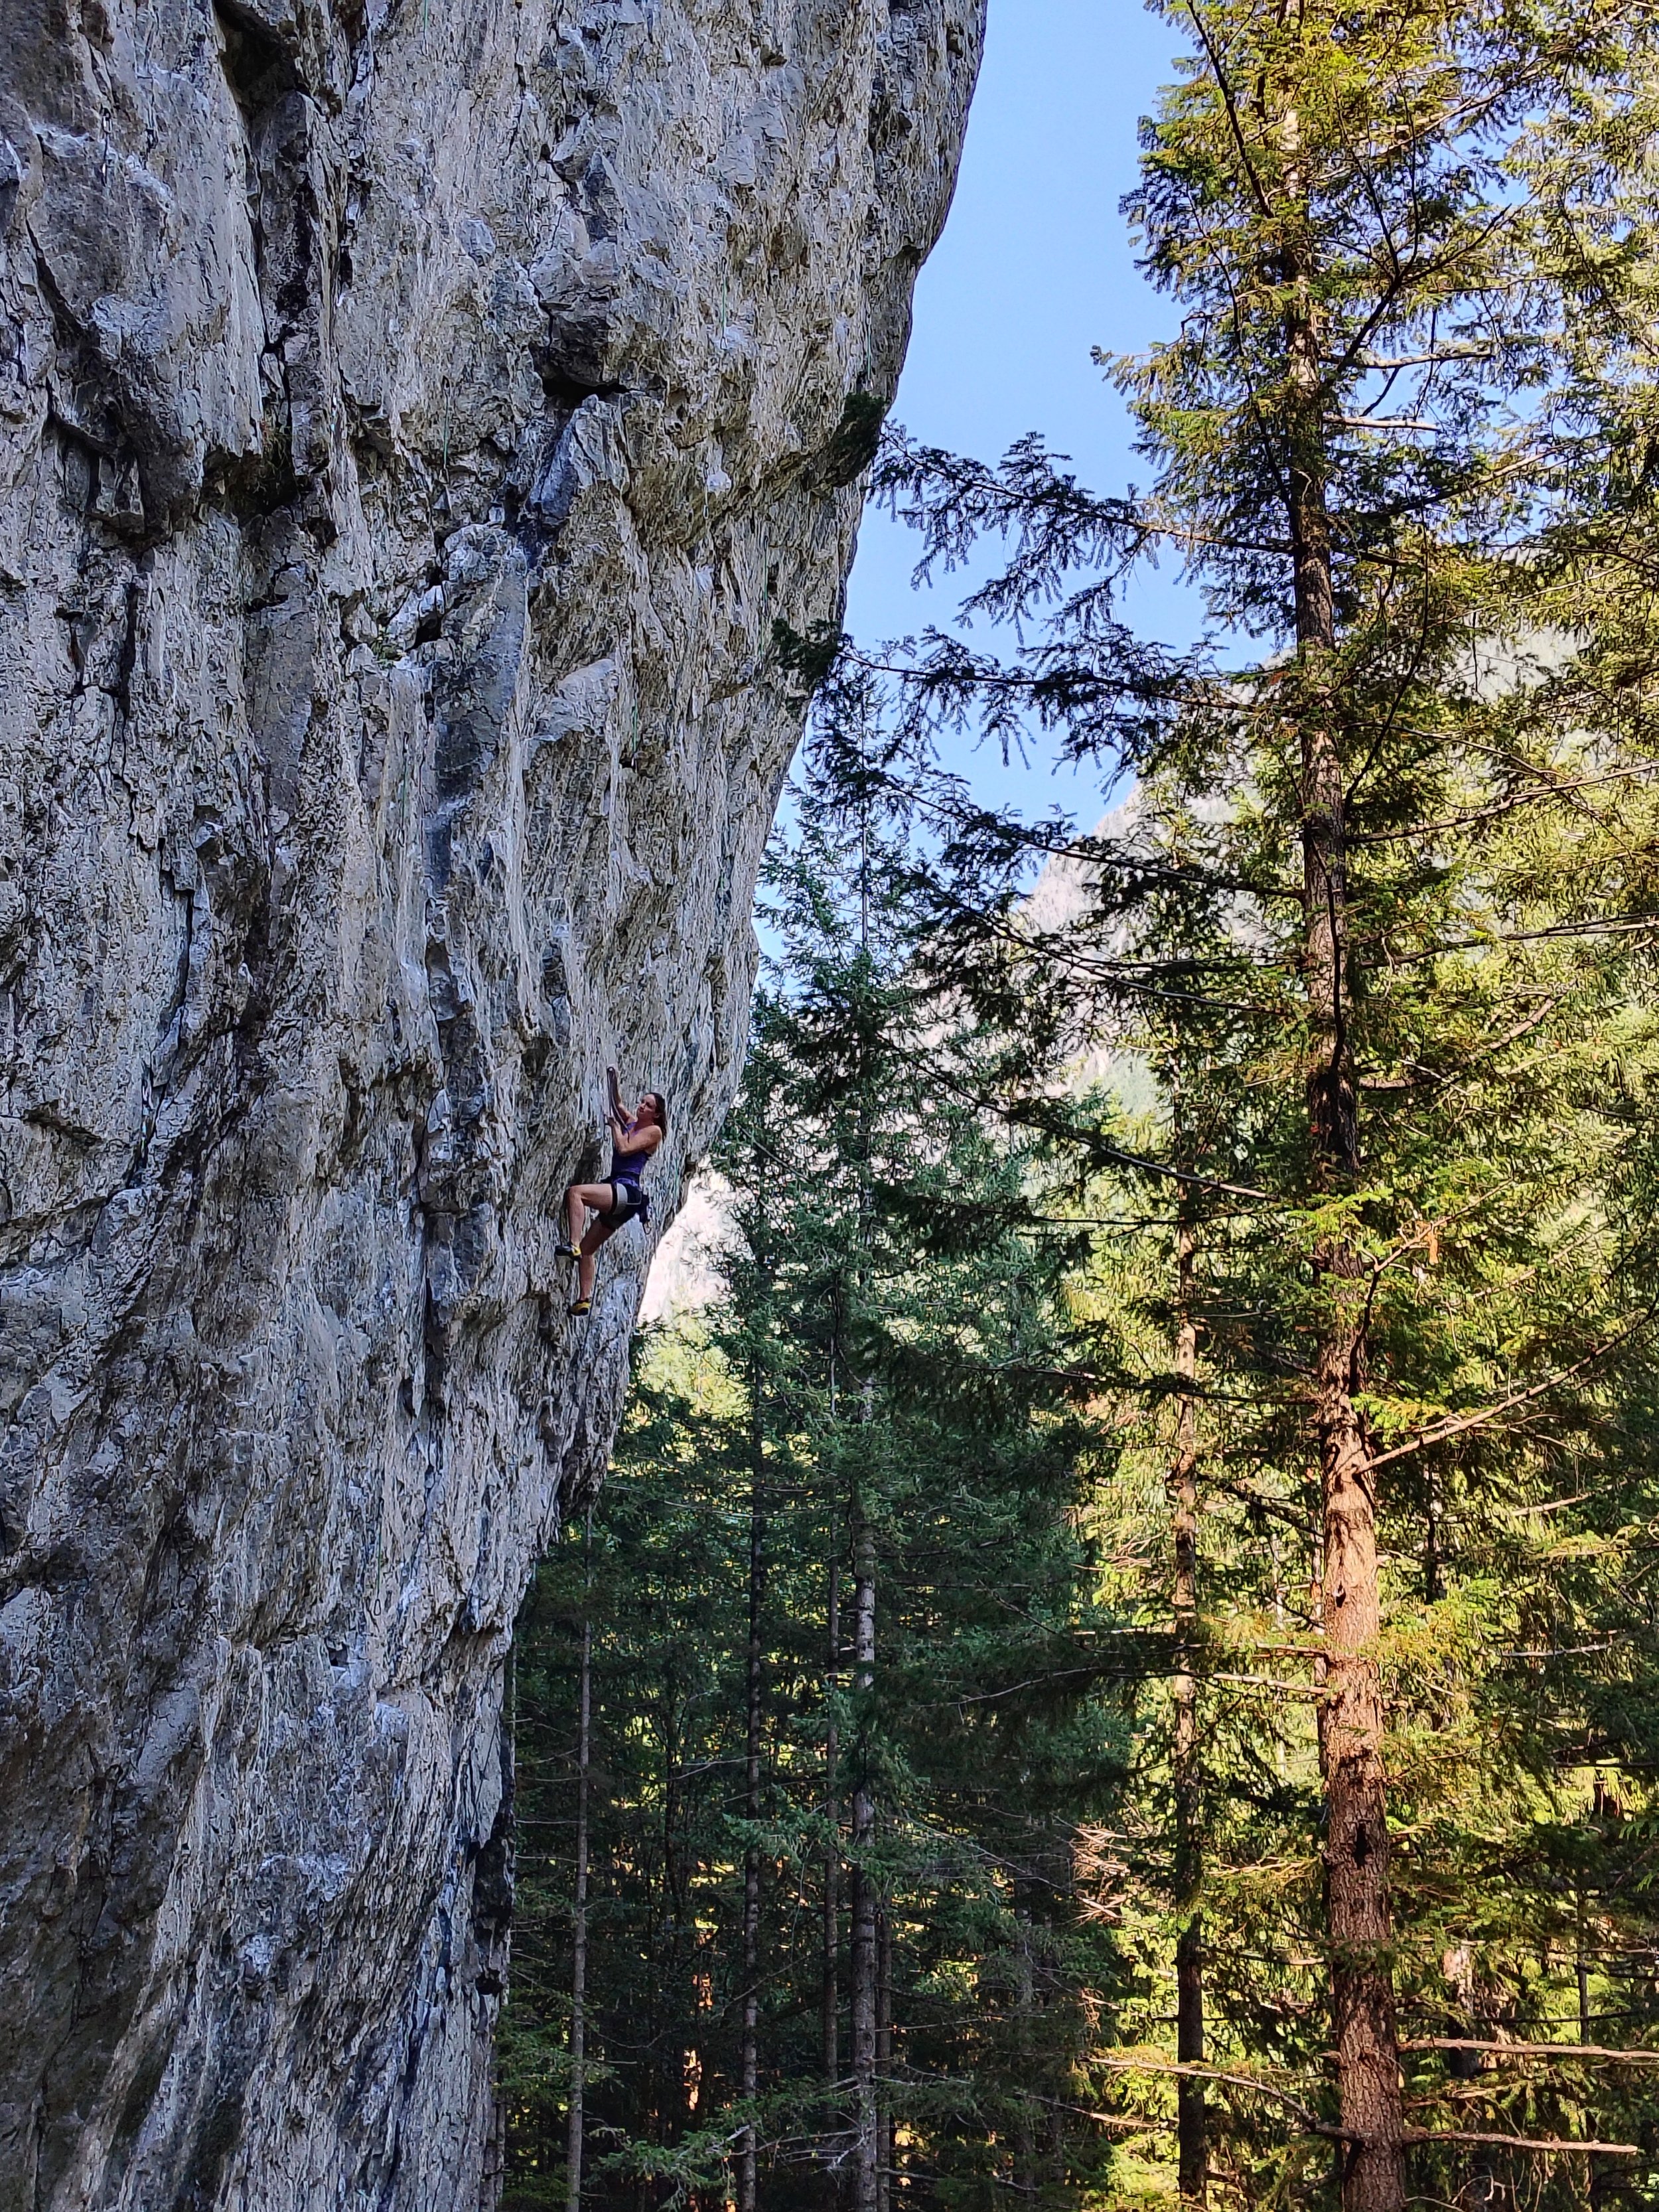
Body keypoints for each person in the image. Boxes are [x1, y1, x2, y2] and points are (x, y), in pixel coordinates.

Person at [557, 1067, 667, 1316]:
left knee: (576, 1194)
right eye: (642, 1103)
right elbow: (617, 1104)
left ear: (657, 1114)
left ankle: (572, 1243)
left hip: (626, 1190)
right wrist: (613, 1079)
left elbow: (625, 1148)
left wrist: (614, 1127)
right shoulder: (631, 1122)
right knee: (589, 1250)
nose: (641, 1107)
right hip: (624, 1199)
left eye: (648, 1106)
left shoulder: (654, 1132)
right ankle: (584, 1299)